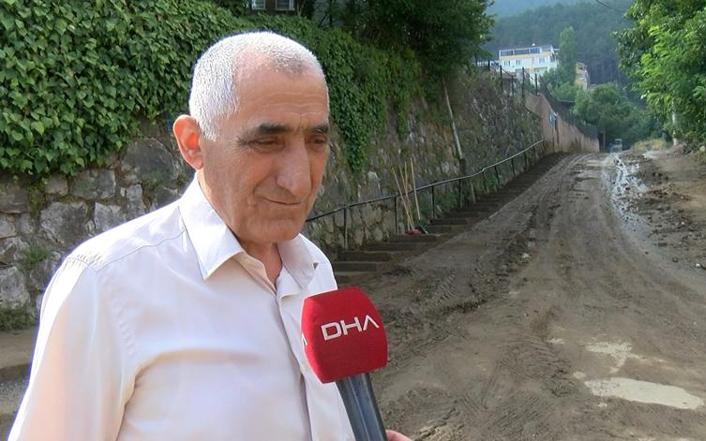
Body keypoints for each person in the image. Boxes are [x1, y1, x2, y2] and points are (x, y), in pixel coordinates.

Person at [10, 31, 410, 441]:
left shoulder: (315, 270)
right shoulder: (106, 285)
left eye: (316, 141)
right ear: (193, 144)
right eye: (267, 142)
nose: (299, 181)